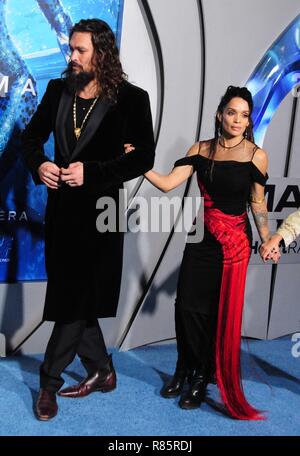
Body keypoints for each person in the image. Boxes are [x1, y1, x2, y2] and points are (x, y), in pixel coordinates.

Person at [22, 18, 155, 421]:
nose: (72, 56)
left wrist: (92, 172)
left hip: (102, 214)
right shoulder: (57, 90)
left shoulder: (131, 98)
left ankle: (49, 383)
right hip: (62, 213)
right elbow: (30, 138)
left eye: (80, 50)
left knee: (73, 301)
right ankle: (103, 369)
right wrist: (40, 164)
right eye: (71, 49)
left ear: (102, 52)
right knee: (74, 297)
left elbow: (143, 157)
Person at [126, 86, 270, 420]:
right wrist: (140, 164)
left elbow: (257, 202)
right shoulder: (201, 148)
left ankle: (202, 377)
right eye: (231, 112)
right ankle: (183, 368)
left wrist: (266, 238)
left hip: (233, 242)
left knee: (213, 312)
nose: (237, 119)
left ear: (249, 120)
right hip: (201, 236)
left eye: (244, 114)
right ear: (220, 114)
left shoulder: (255, 155)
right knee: (186, 306)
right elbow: (166, 183)